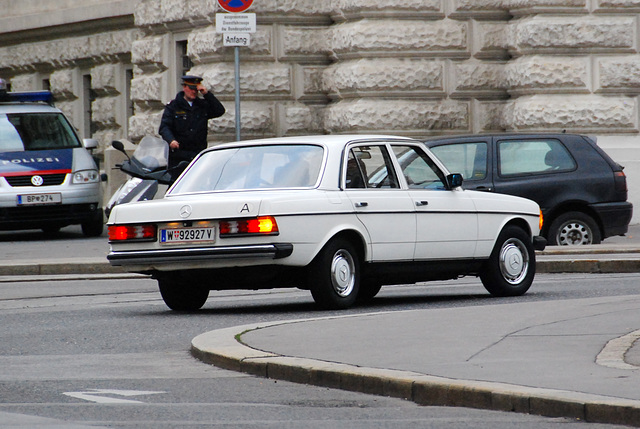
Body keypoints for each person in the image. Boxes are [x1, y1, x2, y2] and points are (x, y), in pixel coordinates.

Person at [159, 75, 225, 168]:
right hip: (179, 155)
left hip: (197, 154)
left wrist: (206, 94)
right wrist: (171, 140)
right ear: (184, 87)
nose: (194, 92)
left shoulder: (201, 105)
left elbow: (219, 111)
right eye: (191, 88)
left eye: (196, 90)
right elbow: (164, 127)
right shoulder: (174, 106)